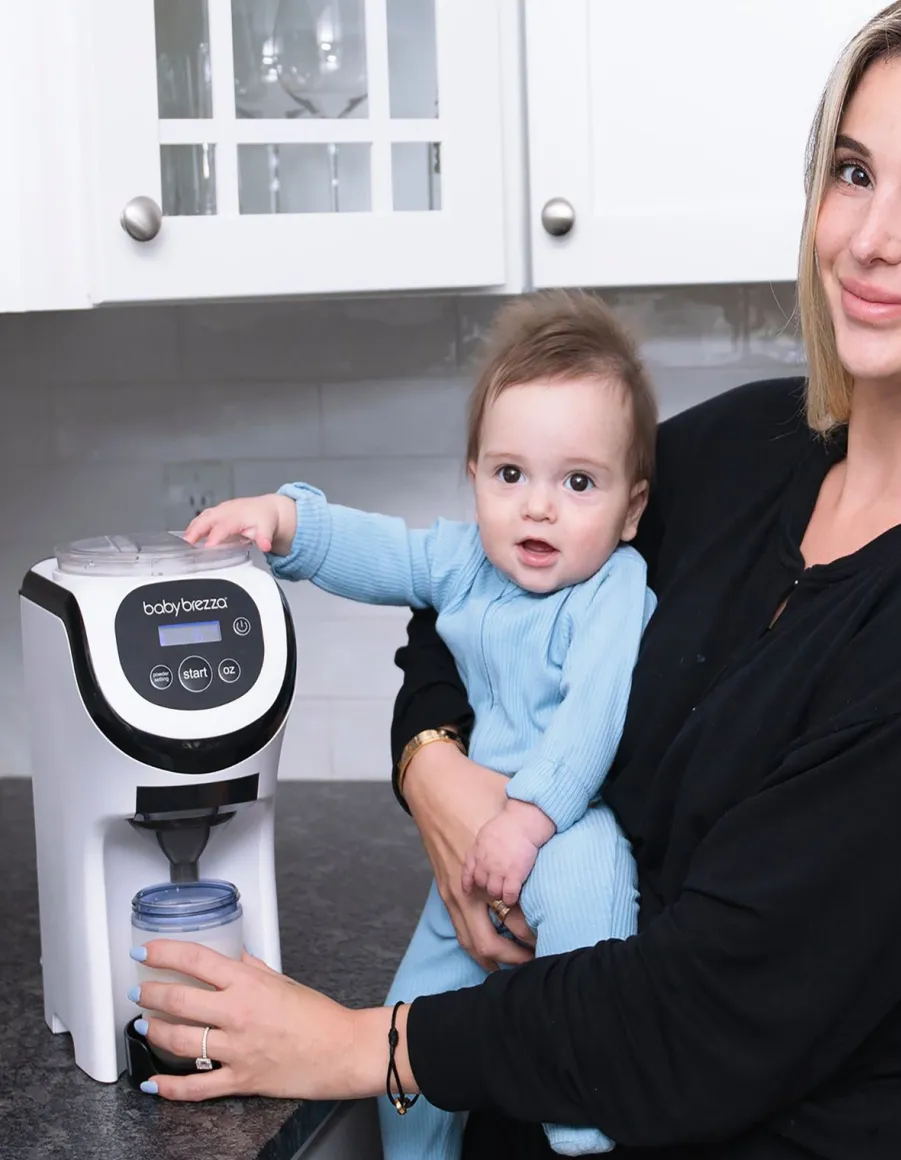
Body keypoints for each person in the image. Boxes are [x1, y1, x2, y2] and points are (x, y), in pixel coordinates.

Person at [130, 2, 901, 1157]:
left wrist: (361, 1043)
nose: (868, 237)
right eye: (851, 171)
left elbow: (709, 1011)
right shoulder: (746, 448)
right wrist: (434, 772)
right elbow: (476, 590)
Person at [181, 291, 658, 1159]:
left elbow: (595, 716)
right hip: (475, 846)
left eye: (578, 483)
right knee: (409, 1035)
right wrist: (286, 524)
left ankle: (585, 1131)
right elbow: (382, 552)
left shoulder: (615, 587)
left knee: (586, 960)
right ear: (473, 477)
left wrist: (528, 820)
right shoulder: (465, 560)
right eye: (510, 475)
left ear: (631, 510)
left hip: (567, 828)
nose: (538, 507)